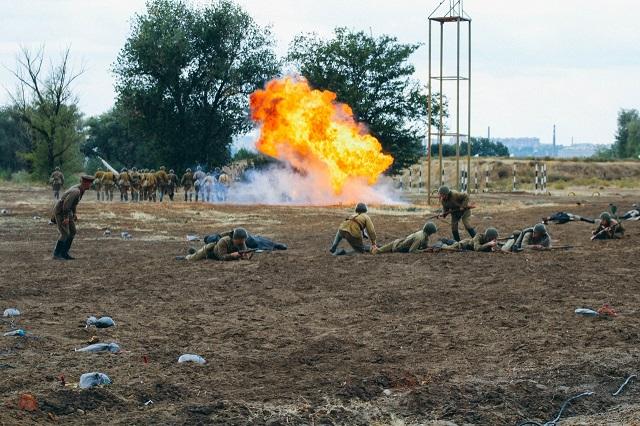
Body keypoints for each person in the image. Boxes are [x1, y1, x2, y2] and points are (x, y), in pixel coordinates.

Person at [51, 175, 94, 260]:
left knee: (73, 231)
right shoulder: (76, 191)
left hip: (67, 211)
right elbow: (66, 205)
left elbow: (73, 203)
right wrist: (66, 218)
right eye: (90, 183)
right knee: (65, 233)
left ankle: (64, 253)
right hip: (61, 212)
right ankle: (57, 254)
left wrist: (74, 214)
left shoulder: (81, 190)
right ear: (85, 183)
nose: (91, 185)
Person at [180, 228, 251, 261]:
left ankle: (195, 251)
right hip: (211, 252)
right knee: (193, 258)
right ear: (236, 238)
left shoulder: (241, 241)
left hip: (222, 253)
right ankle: (186, 257)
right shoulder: (224, 241)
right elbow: (221, 257)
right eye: (241, 240)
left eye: (244, 240)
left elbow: (244, 252)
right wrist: (232, 255)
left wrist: (245, 256)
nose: (243, 242)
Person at [203, 230, 287, 251]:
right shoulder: (216, 237)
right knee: (257, 240)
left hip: (236, 240)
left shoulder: (214, 239)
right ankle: (275, 245)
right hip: (237, 239)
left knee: (255, 242)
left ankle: (275, 246)